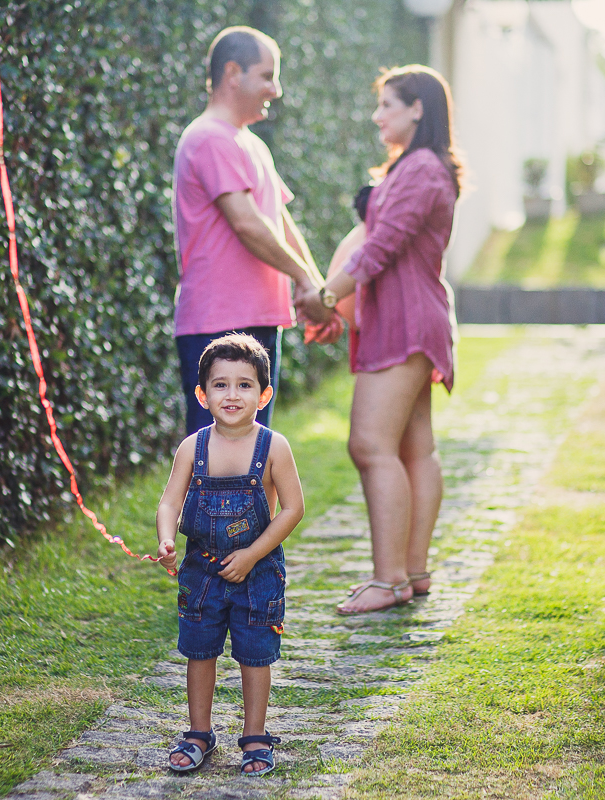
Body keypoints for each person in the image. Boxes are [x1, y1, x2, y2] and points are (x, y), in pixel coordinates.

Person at [295, 65, 463, 615]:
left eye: (388, 104)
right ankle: (411, 573)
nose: (378, 115)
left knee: (369, 445)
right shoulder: (416, 167)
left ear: (419, 108)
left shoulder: (421, 170)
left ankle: (389, 579)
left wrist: (323, 296)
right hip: (409, 317)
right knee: (415, 447)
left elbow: (378, 250)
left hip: (405, 321)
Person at [172, 26, 335, 436]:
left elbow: (279, 221)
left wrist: (317, 289)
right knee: (215, 460)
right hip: (219, 323)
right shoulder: (209, 137)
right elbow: (247, 223)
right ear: (233, 73)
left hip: (256, 318)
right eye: (267, 76)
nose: (276, 89)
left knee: (253, 455)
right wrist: (303, 279)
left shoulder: (251, 143)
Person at [156, 334, 304, 775]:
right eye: (220, 385)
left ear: (265, 393)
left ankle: (255, 735)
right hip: (202, 569)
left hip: (257, 570)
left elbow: (294, 509)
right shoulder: (193, 447)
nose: (233, 394)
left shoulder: (273, 447)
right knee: (199, 650)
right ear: (202, 395)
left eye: (245, 385)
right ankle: (199, 731)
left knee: (254, 652)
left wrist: (253, 555)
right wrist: (166, 539)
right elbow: (169, 502)